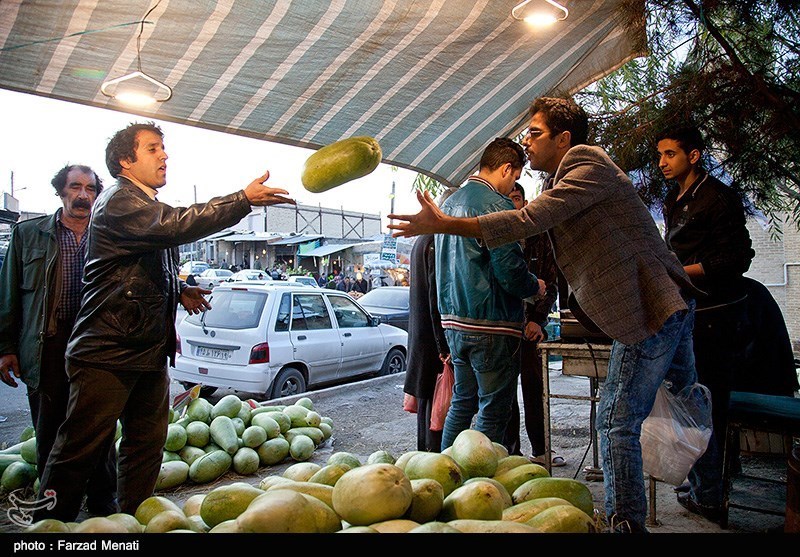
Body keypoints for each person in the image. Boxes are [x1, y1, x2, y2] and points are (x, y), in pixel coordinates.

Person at [388, 97, 701, 533]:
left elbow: (527, 220)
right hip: (647, 311)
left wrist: (445, 224)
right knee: (682, 403)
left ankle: (627, 524)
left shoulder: (588, 165)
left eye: (534, 133)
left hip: (651, 311)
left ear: (564, 138)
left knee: (616, 422)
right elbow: (522, 237)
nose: (526, 142)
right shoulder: (559, 178)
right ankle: (703, 490)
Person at [33, 122, 295, 522]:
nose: (164, 155)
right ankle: (44, 527)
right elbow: (175, 224)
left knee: (145, 449)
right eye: (153, 148)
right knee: (76, 452)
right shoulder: (119, 201)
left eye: (163, 148)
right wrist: (242, 199)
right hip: (106, 352)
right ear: (126, 160)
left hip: (146, 351)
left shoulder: (141, 204)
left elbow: (129, 272)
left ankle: (132, 523)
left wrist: (178, 290)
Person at [0, 164, 118, 517]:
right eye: (75, 187)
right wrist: (5, 348)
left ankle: (103, 505)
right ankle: (53, 511)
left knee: (99, 430)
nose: (83, 195)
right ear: (61, 191)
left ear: (97, 194)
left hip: (96, 346)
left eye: (90, 189)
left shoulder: (109, 235)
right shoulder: (29, 234)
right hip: (47, 345)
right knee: (49, 432)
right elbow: (9, 296)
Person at [656, 124, 756, 521]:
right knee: (692, 401)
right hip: (686, 312)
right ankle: (707, 485)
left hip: (717, 317)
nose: (662, 163)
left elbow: (736, 260)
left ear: (693, 155)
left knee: (706, 404)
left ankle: (711, 496)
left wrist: (679, 270)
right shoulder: (674, 197)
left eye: (670, 154)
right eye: (659, 155)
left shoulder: (718, 198)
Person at [433, 138, 544, 450]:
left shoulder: (449, 204)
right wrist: (535, 286)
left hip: (454, 322)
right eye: (516, 178)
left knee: (462, 402)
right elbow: (509, 269)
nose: (513, 187)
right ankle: (476, 483)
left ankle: (447, 472)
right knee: (493, 409)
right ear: (507, 169)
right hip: (491, 323)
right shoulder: (498, 205)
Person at [501, 182, 561, 467]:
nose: (512, 204)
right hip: (504, 329)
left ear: (524, 202)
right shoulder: (498, 236)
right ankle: (512, 454)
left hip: (532, 331)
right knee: (505, 394)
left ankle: (541, 450)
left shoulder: (539, 236)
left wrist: (537, 320)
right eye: (507, 199)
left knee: (535, 391)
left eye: (515, 198)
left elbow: (552, 282)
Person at [403, 187, 457, 452]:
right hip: (434, 342)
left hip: (422, 339)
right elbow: (437, 296)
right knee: (438, 412)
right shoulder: (437, 241)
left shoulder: (422, 240)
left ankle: (426, 462)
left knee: (430, 410)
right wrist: (444, 347)